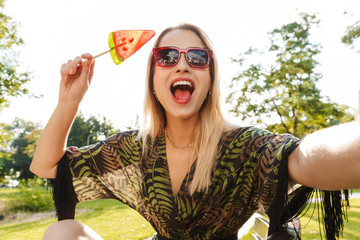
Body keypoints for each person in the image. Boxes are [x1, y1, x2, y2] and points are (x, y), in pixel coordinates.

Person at [30, 23, 360, 240]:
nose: (182, 64)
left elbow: (301, 158)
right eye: (167, 56)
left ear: (210, 79)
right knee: (62, 232)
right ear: (153, 80)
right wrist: (69, 100)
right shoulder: (134, 148)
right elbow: (45, 166)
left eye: (198, 57)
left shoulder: (243, 146)